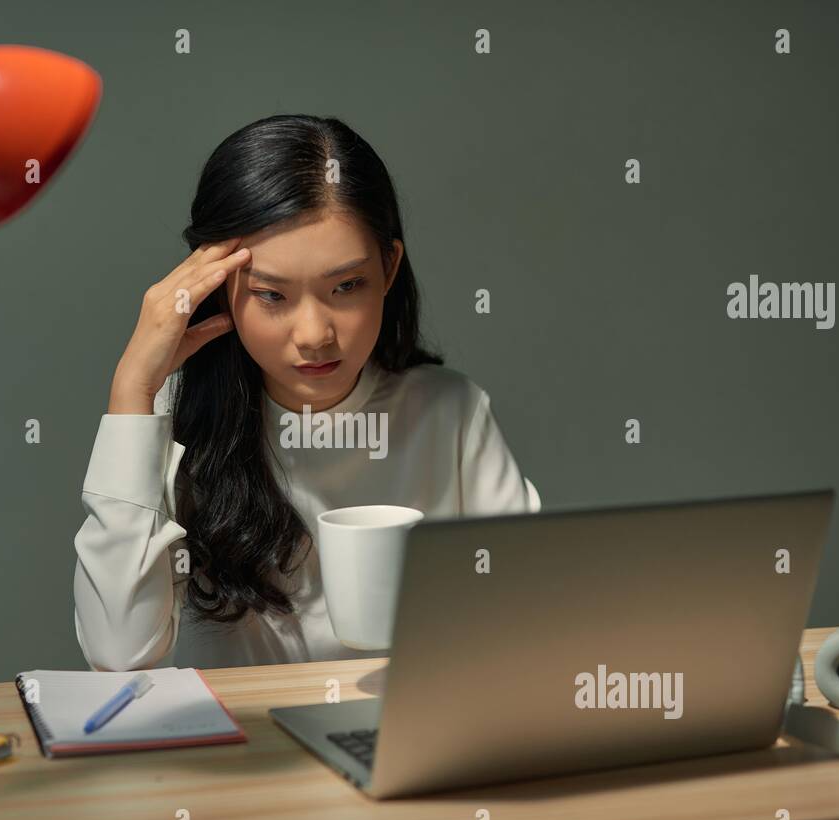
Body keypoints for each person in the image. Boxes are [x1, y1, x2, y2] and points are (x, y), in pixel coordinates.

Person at [73, 114, 540, 671]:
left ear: (389, 268)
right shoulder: (174, 422)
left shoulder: (450, 413)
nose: (316, 335)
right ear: (218, 287)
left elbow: (531, 622)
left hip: (397, 740)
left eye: (346, 286)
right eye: (272, 295)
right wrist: (133, 393)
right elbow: (118, 653)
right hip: (249, 752)